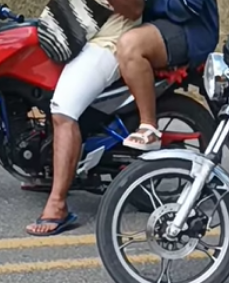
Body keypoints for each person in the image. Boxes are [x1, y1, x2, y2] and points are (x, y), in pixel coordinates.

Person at [25, 1, 144, 236]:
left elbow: (135, 9)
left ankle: (58, 205)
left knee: (64, 110)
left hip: (107, 43)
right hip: (75, 35)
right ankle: (48, 168)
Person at [115, 0, 220, 151]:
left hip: (189, 27)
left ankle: (148, 126)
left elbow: (188, 6)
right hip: (147, 21)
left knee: (130, 47)